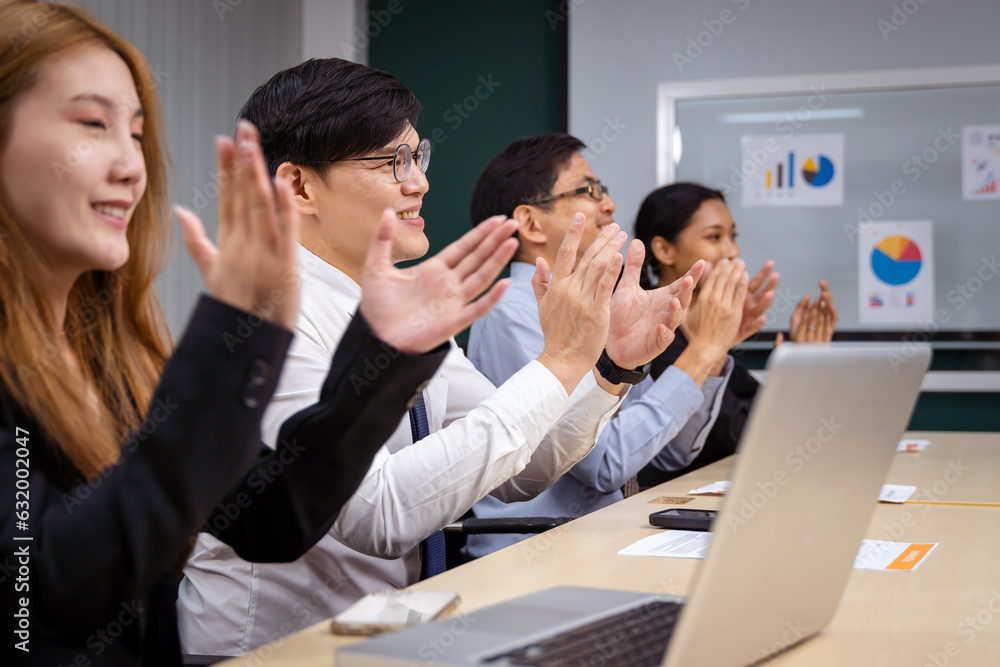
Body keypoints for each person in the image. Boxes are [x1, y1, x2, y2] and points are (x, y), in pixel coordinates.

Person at [0, 3, 519, 664]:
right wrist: (232, 341)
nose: (133, 165)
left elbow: (271, 519)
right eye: (92, 124)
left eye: (136, 133)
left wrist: (388, 356)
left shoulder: (111, 354)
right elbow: (39, 603)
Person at [178, 59, 689, 656]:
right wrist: (559, 362)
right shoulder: (266, 315)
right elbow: (380, 515)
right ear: (298, 186)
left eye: (418, 157)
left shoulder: (399, 301)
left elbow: (524, 469)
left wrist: (607, 369)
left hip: (385, 632)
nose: (417, 181)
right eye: (391, 162)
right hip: (271, 650)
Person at [463, 133, 749, 557]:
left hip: (607, 538)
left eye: (605, 190)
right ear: (531, 222)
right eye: (588, 191)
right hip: (539, 552)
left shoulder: (600, 306)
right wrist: (701, 353)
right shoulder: (513, 313)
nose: (609, 205)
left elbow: (668, 454)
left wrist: (713, 350)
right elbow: (608, 464)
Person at [635, 182, 838, 484]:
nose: (731, 251)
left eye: (733, 236)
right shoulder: (648, 337)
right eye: (714, 237)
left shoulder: (704, 332)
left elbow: (764, 422)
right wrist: (712, 347)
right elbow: (742, 436)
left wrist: (801, 367)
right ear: (664, 250)